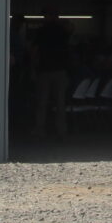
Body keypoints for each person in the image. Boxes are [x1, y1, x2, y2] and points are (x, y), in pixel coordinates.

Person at [30, 9, 72, 138]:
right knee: (60, 103)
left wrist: (32, 69)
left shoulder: (41, 32)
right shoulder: (63, 32)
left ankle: (40, 130)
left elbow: (34, 51)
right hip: (59, 71)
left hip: (45, 70)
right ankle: (61, 131)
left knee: (42, 103)